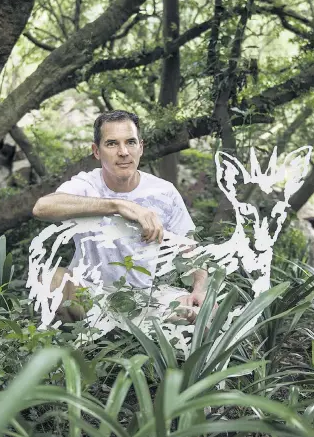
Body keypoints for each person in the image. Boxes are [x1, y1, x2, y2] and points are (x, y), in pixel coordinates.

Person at [32, 110, 209, 324]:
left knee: (203, 313)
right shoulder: (86, 185)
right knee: (51, 281)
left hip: (146, 298)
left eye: (131, 142)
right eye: (112, 144)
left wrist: (200, 288)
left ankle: (142, 332)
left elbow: (190, 250)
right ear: (96, 151)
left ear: (141, 147)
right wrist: (118, 205)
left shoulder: (164, 192)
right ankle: (78, 349)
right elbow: (42, 207)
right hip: (89, 294)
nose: (123, 152)